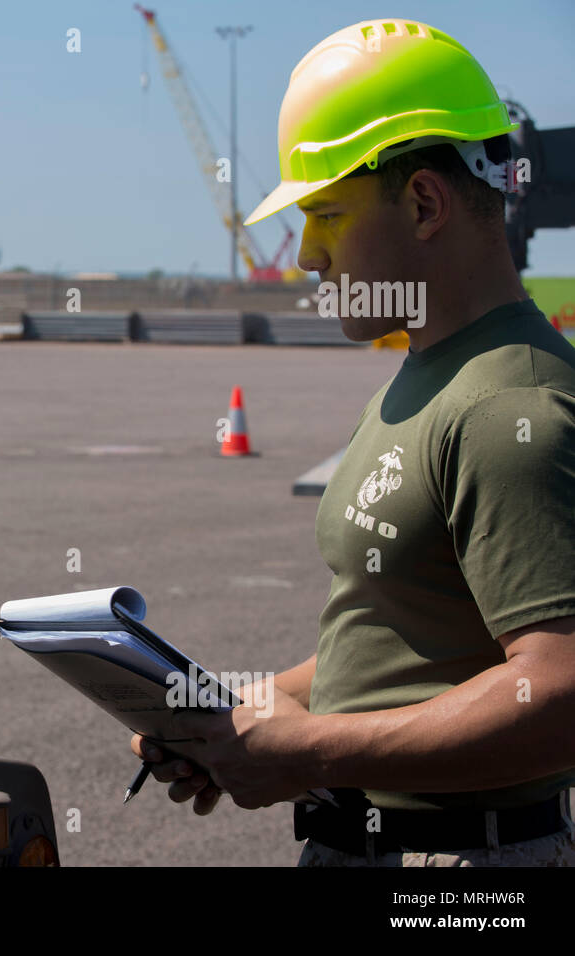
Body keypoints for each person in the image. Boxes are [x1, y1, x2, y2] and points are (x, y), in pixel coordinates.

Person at [131, 18, 575, 865]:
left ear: (423, 203)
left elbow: (559, 691)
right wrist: (225, 716)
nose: (305, 254)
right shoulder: (426, 379)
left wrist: (312, 749)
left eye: (325, 214)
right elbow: (393, 644)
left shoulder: (509, 407)